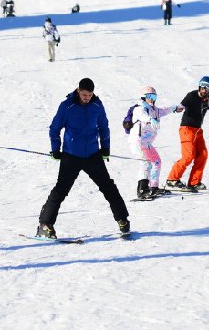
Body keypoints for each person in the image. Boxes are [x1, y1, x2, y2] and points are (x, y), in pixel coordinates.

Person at [37, 78, 130, 239]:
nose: (86, 97)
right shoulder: (67, 106)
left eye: (90, 94)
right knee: (61, 189)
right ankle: (45, 224)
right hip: (71, 155)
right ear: (78, 90)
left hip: (92, 155)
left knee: (108, 186)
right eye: (84, 94)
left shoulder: (97, 106)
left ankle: (123, 219)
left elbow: (103, 127)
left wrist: (105, 147)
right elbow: (54, 128)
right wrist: (55, 149)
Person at [166, 76, 209, 191]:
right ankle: (172, 179)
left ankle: (194, 182)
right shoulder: (191, 95)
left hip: (198, 130)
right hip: (187, 128)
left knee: (203, 155)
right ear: (199, 86)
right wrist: (179, 108)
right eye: (203, 87)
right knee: (188, 156)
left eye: (208, 88)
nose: (204, 90)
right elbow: (182, 105)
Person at [128, 86, 184, 199]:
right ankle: (142, 190)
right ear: (144, 97)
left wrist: (174, 108)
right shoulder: (139, 109)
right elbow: (143, 116)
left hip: (146, 143)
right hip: (138, 141)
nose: (152, 99)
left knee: (156, 161)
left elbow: (164, 110)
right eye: (149, 96)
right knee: (146, 163)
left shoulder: (154, 110)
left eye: (154, 96)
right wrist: (150, 119)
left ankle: (153, 187)